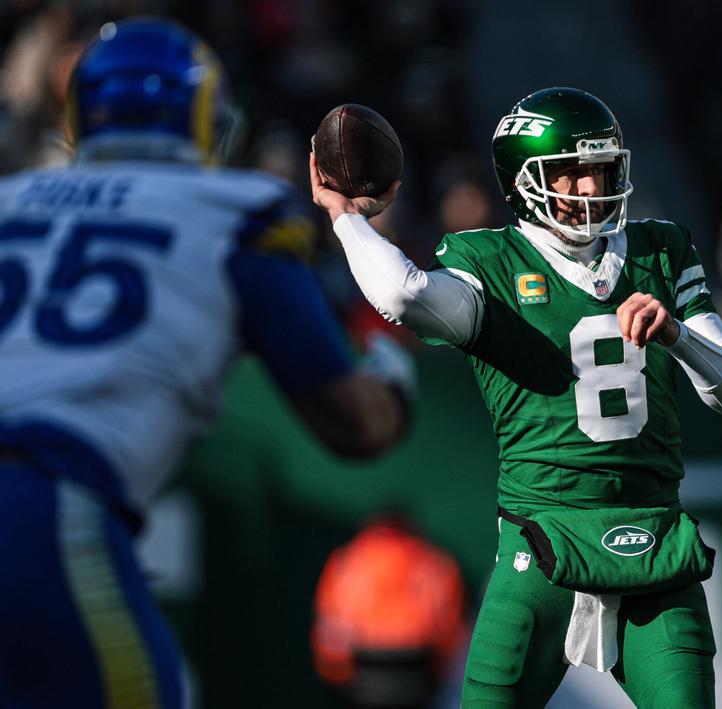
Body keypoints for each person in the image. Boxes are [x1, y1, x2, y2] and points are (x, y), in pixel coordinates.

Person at [0, 18, 413, 709]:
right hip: (45, 502)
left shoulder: (9, 199)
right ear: (202, 121)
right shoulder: (234, 212)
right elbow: (355, 426)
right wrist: (395, 381)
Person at [310, 86, 722, 708]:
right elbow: (404, 296)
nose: (587, 189)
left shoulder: (662, 251)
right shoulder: (491, 260)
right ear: (524, 182)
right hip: (541, 540)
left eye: (599, 170)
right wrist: (346, 216)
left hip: (656, 548)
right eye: (569, 173)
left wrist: (678, 335)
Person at [311, 514, 467, 708]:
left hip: (358, 683)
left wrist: (339, 674)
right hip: (417, 681)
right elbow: (449, 641)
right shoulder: (436, 565)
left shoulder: (345, 561)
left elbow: (328, 643)